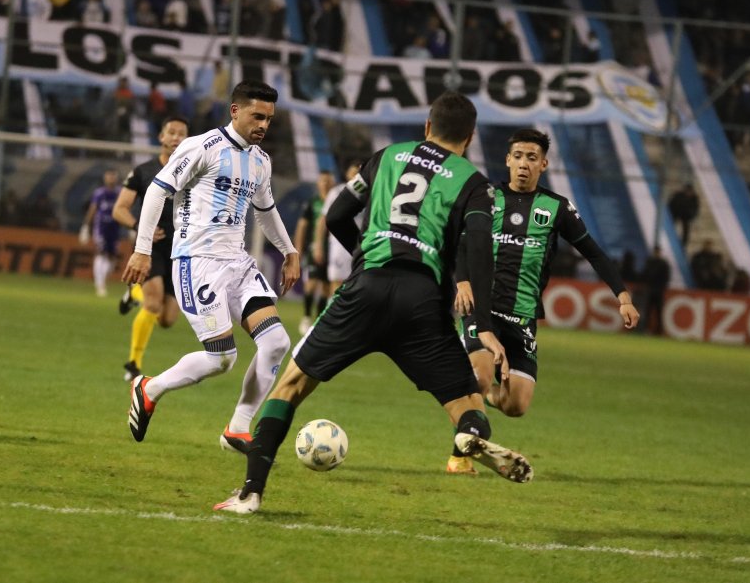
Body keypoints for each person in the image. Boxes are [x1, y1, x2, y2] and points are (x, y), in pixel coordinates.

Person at [214, 92, 532, 515]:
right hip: (422, 302)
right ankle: (466, 436)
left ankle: (251, 493)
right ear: (469, 138)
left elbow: (338, 215)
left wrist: (364, 257)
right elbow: (479, 254)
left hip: (368, 287)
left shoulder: (387, 156)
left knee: (290, 387)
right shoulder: (475, 184)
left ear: (426, 127)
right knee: (469, 403)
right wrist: (485, 325)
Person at [446, 128, 639, 475]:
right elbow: (459, 244)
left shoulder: (556, 208)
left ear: (544, 164)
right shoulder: (484, 197)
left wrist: (622, 297)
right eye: (517, 156)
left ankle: (486, 395)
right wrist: (462, 281)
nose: (523, 164)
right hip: (481, 308)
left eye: (531, 158)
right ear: (507, 160)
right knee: (479, 376)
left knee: (516, 405)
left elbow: (593, 252)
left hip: (522, 316)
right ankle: (460, 456)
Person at [122, 80, 300, 455]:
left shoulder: (260, 161)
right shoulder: (201, 147)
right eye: (257, 116)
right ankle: (149, 388)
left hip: (237, 263)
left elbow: (265, 211)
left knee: (276, 342)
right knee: (222, 358)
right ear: (235, 111)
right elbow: (157, 190)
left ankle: (237, 428)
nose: (264, 125)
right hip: (196, 263)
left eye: (269, 118)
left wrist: (289, 251)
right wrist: (141, 251)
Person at [112, 116, 189, 382]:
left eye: (182, 134)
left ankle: (134, 294)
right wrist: (138, 227)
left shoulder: (193, 174)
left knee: (168, 319)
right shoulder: (143, 171)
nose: (176, 138)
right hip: (150, 247)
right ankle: (133, 363)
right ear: (161, 137)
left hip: (179, 250)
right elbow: (119, 209)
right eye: (172, 132)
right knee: (154, 303)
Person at [313, 160, 364, 295]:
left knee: (358, 281)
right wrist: (318, 245)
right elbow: (323, 220)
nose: (355, 176)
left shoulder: (370, 192)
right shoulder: (336, 192)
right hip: (339, 243)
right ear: (347, 174)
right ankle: (334, 311)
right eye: (353, 173)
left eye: (358, 173)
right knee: (337, 281)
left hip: (362, 243)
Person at [293, 170, 334, 334]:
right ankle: (307, 316)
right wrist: (298, 249)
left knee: (326, 286)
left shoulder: (335, 202)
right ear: (318, 183)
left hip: (332, 249)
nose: (325, 184)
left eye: (328, 181)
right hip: (314, 247)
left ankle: (318, 321)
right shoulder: (312, 203)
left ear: (333, 184)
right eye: (322, 181)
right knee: (311, 283)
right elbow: (302, 226)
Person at [80, 169, 121, 297]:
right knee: (101, 252)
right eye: (109, 176)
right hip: (101, 227)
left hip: (114, 228)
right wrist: (86, 226)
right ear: (104, 178)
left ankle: (102, 280)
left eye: (113, 176)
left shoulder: (119, 192)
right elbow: (93, 210)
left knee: (112, 257)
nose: (111, 178)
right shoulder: (99, 193)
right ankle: (100, 284)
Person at [638, 246, 670, 335]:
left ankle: (659, 330)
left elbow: (666, 278)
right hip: (650, 290)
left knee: (658, 312)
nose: (656, 253)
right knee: (648, 310)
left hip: (658, 290)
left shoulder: (662, 264)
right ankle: (646, 329)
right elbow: (644, 275)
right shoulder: (650, 262)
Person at [668, 183, 700, 248]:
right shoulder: (679, 195)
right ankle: (669, 237)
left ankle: (683, 243)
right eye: (687, 191)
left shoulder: (694, 197)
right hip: (676, 212)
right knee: (672, 225)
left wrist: (692, 216)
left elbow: (696, 208)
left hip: (686, 215)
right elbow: (671, 203)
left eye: (690, 191)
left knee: (686, 229)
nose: (689, 193)